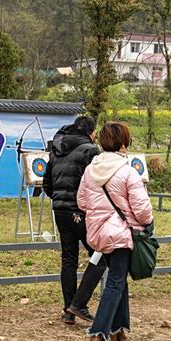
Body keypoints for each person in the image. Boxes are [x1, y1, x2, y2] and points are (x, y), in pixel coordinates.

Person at [76, 122, 153, 341]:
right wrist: (143, 222)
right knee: (116, 281)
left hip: (98, 233)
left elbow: (81, 202)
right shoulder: (128, 171)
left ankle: (119, 327)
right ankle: (98, 333)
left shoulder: (91, 170)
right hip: (120, 234)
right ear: (122, 144)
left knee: (118, 278)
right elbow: (143, 211)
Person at [43, 115, 106, 325]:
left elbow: (47, 185)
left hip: (60, 211)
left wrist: (61, 200)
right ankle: (79, 303)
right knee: (100, 256)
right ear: (90, 132)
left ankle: (68, 311)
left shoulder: (56, 149)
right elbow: (97, 184)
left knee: (68, 260)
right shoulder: (90, 151)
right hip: (81, 212)